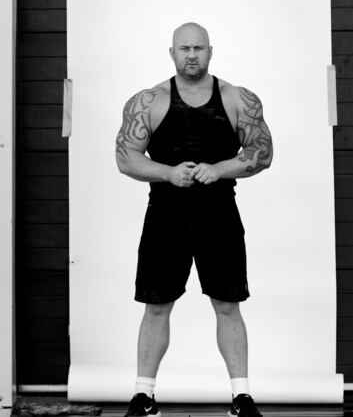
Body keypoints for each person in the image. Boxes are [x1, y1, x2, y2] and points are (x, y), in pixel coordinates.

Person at [115, 22, 273, 417]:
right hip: (165, 216)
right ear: (171, 52)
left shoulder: (238, 99)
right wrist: (168, 173)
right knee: (156, 306)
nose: (191, 55)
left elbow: (263, 152)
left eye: (198, 48)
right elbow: (125, 157)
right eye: (184, 48)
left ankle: (241, 396)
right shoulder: (148, 100)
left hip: (218, 215)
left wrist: (219, 168)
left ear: (210, 51)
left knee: (228, 304)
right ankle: (143, 395)